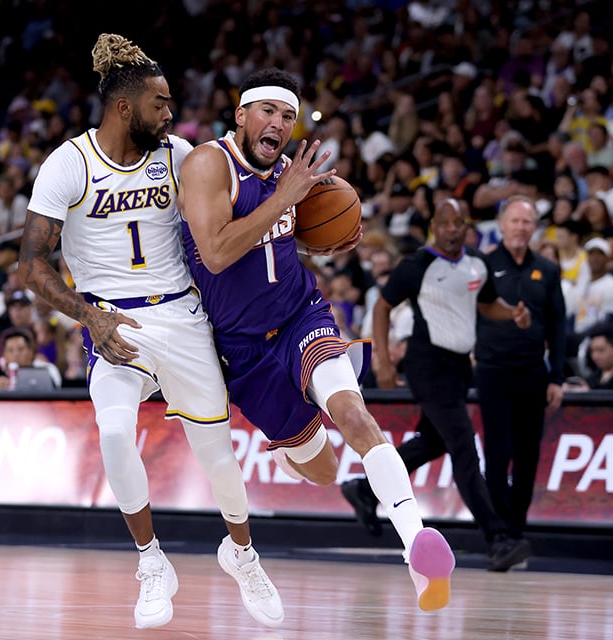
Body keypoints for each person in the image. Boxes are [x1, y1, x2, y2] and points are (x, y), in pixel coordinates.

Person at [17, 34, 282, 629]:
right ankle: (152, 561)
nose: (170, 115)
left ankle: (242, 553)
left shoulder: (180, 155)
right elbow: (30, 265)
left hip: (183, 315)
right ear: (123, 108)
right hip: (115, 321)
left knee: (217, 456)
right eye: (161, 104)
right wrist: (89, 316)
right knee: (113, 434)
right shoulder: (69, 162)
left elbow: (231, 203)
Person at [178, 67, 455, 611]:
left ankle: (416, 548)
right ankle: (288, 453)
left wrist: (328, 230)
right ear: (241, 115)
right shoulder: (209, 163)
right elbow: (215, 252)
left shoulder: (293, 172)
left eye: (288, 115)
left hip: (304, 315)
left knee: (354, 412)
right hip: (244, 349)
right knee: (324, 468)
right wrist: (284, 199)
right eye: (268, 111)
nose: (278, 124)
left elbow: (298, 231)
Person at [340, 199, 532, 572]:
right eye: (444, 223)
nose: (451, 229)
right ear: (433, 226)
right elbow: (382, 307)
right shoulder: (416, 266)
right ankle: (498, 539)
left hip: (460, 367)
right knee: (463, 447)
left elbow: (488, 303)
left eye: (458, 223)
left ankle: (364, 490)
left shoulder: (478, 261)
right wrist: (382, 361)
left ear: (466, 226)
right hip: (427, 364)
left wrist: (513, 313)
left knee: (433, 442)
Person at [475, 196, 566, 543]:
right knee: (497, 454)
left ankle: (517, 529)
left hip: (532, 373)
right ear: (501, 225)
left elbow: (558, 326)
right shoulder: (482, 265)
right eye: (514, 221)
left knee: (528, 456)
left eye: (527, 222)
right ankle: (498, 533)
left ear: (535, 228)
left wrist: (557, 376)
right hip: (493, 371)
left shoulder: (547, 268)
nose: (520, 228)